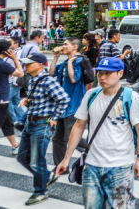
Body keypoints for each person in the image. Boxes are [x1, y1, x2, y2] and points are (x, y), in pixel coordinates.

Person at [54, 57, 139, 209]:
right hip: (91, 166)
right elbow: (78, 126)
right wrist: (66, 158)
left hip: (120, 167)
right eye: (99, 73)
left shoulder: (130, 97)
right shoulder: (91, 95)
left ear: (120, 73)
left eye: (108, 73)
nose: (102, 77)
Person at [16, 52, 69, 205]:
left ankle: (40, 192)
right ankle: (47, 176)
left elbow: (63, 98)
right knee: (22, 157)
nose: (25, 66)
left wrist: (55, 117)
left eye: (28, 63)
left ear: (40, 65)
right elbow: (41, 98)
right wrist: (28, 100)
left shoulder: (48, 81)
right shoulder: (33, 80)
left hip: (42, 125)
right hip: (30, 122)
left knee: (36, 161)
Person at [48, 37, 89, 178]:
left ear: (74, 47)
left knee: (72, 138)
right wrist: (55, 58)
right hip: (62, 107)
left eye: (65, 44)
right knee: (58, 139)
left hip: (74, 106)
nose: (62, 46)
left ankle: (97, 153)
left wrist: (71, 62)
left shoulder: (77, 61)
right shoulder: (65, 62)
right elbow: (51, 73)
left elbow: (73, 79)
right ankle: (61, 166)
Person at [0, 40, 23, 155]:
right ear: (6, 50)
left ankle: (14, 144)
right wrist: (15, 59)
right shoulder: (2, 64)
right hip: (1, 99)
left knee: (7, 122)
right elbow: (20, 73)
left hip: (2, 99)